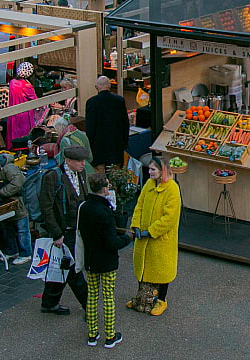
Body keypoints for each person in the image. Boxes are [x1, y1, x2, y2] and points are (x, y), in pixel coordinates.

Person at [79, 173, 132, 348]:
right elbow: (112, 242)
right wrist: (126, 239)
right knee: (108, 296)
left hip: (91, 259)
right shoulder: (105, 212)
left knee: (92, 295)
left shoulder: (84, 207)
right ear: (103, 189)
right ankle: (110, 335)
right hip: (107, 261)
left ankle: (92, 334)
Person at [39, 144, 89, 315]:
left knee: (61, 268)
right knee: (73, 269)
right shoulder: (53, 176)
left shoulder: (80, 173)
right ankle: (88, 306)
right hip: (64, 232)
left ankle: (49, 302)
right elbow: (46, 207)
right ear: (68, 161)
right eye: (79, 161)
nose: (83, 164)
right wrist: (56, 234)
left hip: (76, 229)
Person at [128, 155, 181, 316]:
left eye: (153, 169)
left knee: (161, 271)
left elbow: (169, 218)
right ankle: (142, 298)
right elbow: (139, 206)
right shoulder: (148, 185)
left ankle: (161, 300)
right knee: (143, 268)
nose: (149, 172)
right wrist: (135, 225)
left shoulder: (172, 189)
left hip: (160, 240)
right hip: (143, 239)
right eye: (149, 169)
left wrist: (151, 231)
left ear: (162, 171)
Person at [0, 151, 32, 264]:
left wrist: (1, 193)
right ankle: (11, 251)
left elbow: (18, 182)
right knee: (7, 228)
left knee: (22, 229)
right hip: (4, 203)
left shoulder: (8, 167)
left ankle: (26, 253)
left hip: (16, 201)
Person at [85, 76, 130, 173]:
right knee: (115, 178)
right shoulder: (119, 101)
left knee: (100, 181)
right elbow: (125, 124)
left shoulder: (91, 103)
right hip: (115, 148)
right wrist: (124, 143)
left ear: (96, 87)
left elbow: (90, 129)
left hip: (98, 149)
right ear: (109, 86)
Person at [7, 62, 38, 145]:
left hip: (13, 113)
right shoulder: (27, 86)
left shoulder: (12, 82)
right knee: (25, 137)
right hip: (24, 115)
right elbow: (35, 101)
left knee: (14, 134)